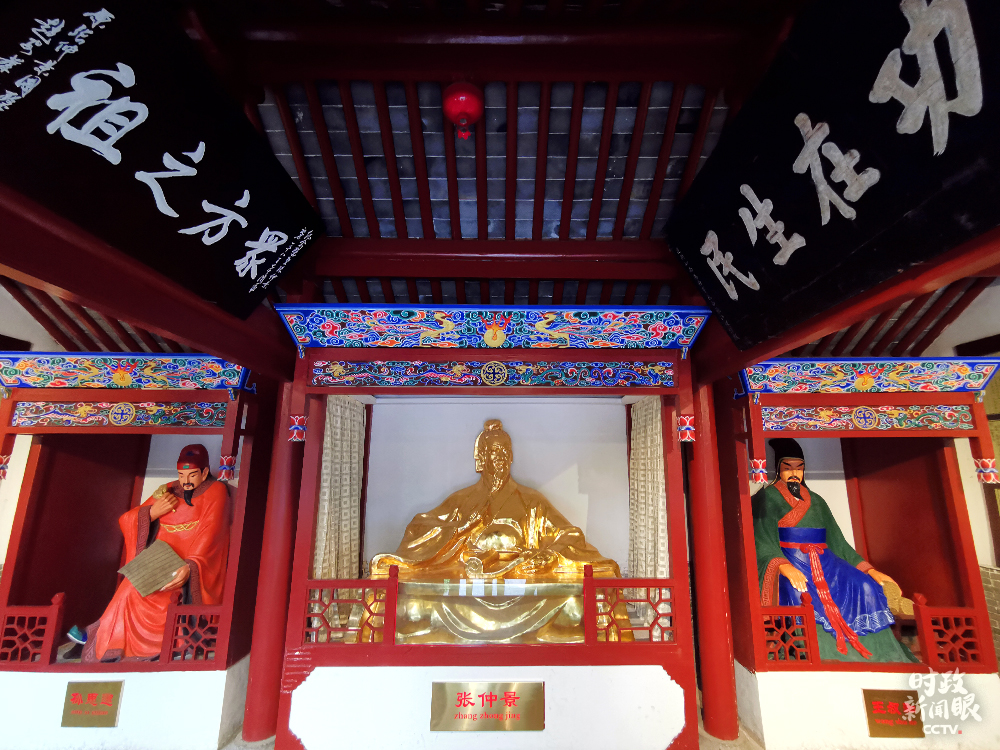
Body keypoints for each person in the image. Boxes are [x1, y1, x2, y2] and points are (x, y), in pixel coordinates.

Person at [365, 419, 628, 643]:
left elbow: (569, 534)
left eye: (505, 451)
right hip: (468, 588)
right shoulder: (462, 500)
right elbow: (419, 528)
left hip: (522, 590)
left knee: (575, 606)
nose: (500, 457)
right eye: (493, 451)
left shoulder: (531, 501)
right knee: (412, 605)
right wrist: (460, 529)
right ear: (481, 458)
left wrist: (549, 555)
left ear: (512, 457)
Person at [752, 438, 916, 662]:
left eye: (799, 468)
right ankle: (816, 652)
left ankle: (880, 653)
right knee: (797, 591)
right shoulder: (766, 498)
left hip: (827, 561)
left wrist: (870, 571)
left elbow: (838, 542)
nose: (794, 474)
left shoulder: (817, 501)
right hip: (792, 560)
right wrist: (783, 566)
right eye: (788, 468)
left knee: (865, 585)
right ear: (778, 469)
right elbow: (762, 539)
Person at [82, 444, 230, 661]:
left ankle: (166, 645)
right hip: (159, 561)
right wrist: (152, 512)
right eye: (181, 475)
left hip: (188, 565)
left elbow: (211, 534)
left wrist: (191, 566)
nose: (186, 481)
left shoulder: (215, 491)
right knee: (128, 590)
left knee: (169, 596)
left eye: (192, 475)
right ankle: (107, 645)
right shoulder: (168, 490)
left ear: (205, 472)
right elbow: (127, 519)